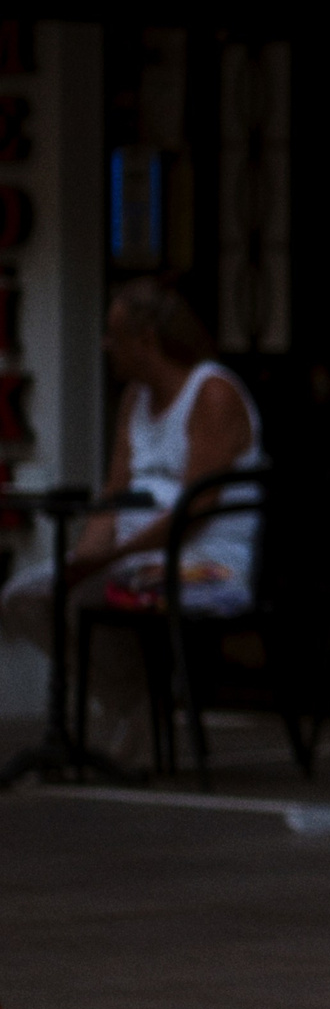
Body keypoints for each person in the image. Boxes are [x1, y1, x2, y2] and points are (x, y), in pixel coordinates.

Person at [0, 279, 265, 759]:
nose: (105, 346)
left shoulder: (212, 393)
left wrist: (109, 559)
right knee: (27, 598)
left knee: (88, 592)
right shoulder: (134, 400)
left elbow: (196, 510)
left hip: (205, 558)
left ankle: (144, 711)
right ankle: (134, 703)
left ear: (146, 340)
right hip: (136, 553)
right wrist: (87, 554)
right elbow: (115, 493)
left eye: (113, 334)